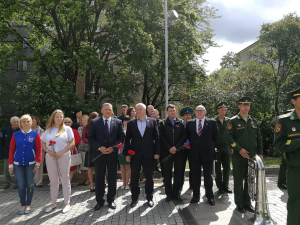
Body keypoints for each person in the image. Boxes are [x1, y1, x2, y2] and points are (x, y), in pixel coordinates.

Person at [227, 97, 263, 213]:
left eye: (248, 105)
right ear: (239, 106)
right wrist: (238, 149)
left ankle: (247, 203)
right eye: (243, 105)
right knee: (238, 180)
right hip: (239, 156)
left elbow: (259, 138)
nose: (246, 107)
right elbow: (228, 137)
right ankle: (239, 203)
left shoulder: (254, 121)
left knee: (250, 180)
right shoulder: (233, 121)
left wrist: (260, 153)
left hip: (252, 156)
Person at [88, 103, 124, 210]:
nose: (108, 111)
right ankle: (99, 201)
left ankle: (111, 200)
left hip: (112, 154)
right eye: (106, 109)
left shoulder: (117, 122)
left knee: (112, 178)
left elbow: (121, 138)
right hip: (99, 155)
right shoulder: (94, 122)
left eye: (110, 109)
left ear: (112, 111)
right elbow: (90, 138)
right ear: (102, 111)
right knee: (99, 178)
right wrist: (100, 148)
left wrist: (113, 148)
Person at [125, 103, 160, 208]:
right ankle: (134, 198)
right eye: (137, 109)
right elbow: (127, 139)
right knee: (135, 177)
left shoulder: (152, 122)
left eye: (140, 109)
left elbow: (157, 138)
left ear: (145, 110)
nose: (138, 111)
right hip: (135, 154)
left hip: (149, 154)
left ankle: (149, 197)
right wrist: (127, 153)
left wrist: (157, 152)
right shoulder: (131, 123)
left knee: (149, 177)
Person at [274, 88, 300, 225]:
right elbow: (279, 145)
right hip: (296, 169)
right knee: (296, 204)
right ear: (293, 101)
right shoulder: (284, 120)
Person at [42, 109, 75, 214]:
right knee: (53, 181)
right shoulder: (48, 130)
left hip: (64, 156)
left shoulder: (67, 129)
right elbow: (42, 143)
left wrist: (61, 152)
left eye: (61, 116)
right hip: (50, 157)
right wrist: (48, 151)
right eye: (57, 116)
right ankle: (53, 203)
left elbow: (72, 143)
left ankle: (66, 203)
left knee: (65, 180)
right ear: (53, 117)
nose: (59, 118)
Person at [8, 114, 42, 215]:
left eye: (28, 121)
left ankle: (28, 204)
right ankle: (23, 204)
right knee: (21, 185)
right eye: (24, 121)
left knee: (30, 184)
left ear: (31, 122)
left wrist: (38, 162)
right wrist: (10, 164)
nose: (26, 123)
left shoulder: (35, 134)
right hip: (18, 164)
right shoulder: (16, 135)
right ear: (20, 123)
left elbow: (39, 149)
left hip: (31, 164)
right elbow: (11, 150)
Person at [186, 105, 218, 206]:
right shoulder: (189, 123)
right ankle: (196, 196)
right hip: (194, 154)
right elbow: (187, 137)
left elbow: (216, 137)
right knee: (195, 176)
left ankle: (210, 196)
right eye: (197, 111)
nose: (199, 112)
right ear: (194, 112)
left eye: (201, 111)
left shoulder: (212, 123)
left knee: (208, 176)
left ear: (205, 112)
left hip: (207, 153)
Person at [159, 104, 187, 202]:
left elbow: (184, 136)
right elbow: (161, 137)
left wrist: (176, 147)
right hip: (167, 152)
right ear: (167, 112)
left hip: (178, 151)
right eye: (170, 110)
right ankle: (169, 194)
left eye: (174, 110)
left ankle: (176, 193)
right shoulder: (162, 123)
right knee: (167, 173)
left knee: (178, 173)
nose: (172, 112)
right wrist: (169, 147)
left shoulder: (181, 122)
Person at [214, 102, 233, 194]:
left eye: (225, 110)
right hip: (216, 148)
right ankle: (219, 187)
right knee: (217, 169)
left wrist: (232, 146)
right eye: (222, 110)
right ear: (218, 110)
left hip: (226, 147)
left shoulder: (229, 121)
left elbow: (232, 135)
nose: (223, 112)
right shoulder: (213, 121)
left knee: (227, 168)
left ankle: (226, 186)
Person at [1, 116, 20, 189]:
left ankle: (16, 183)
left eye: (17, 122)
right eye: (14, 122)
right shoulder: (5, 130)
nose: (16, 123)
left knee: (17, 168)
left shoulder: (21, 130)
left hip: (17, 152)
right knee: (6, 169)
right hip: (7, 152)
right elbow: (2, 142)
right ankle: (7, 183)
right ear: (11, 122)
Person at [83, 112, 99, 192]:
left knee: (99, 166)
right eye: (96, 117)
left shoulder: (100, 125)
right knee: (90, 167)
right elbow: (84, 137)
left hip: (98, 148)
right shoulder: (86, 127)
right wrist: (91, 141)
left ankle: (101, 183)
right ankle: (91, 185)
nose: (98, 118)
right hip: (90, 148)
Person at [179, 107, 193, 191]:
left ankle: (192, 185)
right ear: (183, 117)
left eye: (189, 115)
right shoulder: (180, 125)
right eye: (186, 115)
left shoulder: (194, 124)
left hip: (192, 149)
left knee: (193, 167)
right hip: (182, 149)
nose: (188, 116)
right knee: (181, 167)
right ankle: (180, 185)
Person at [64, 117, 81, 183]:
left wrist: (71, 144)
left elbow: (78, 140)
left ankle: (69, 181)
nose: (67, 123)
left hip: (72, 150)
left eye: (68, 122)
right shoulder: (60, 131)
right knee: (64, 167)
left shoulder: (74, 131)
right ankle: (64, 181)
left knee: (72, 167)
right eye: (65, 122)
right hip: (62, 150)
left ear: (71, 123)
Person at [31, 115, 45, 187]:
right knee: (30, 166)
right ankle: (31, 182)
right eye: (31, 121)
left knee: (39, 166)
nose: (32, 122)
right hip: (30, 151)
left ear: (37, 122)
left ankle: (39, 182)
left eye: (34, 121)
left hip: (39, 151)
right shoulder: (27, 130)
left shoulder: (41, 130)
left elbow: (41, 140)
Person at [119, 116, 131, 189]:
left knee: (128, 167)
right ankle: (123, 183)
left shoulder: (131, 129)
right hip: (120, 150)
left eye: (127, 121)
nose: (125, 122)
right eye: (124, 121)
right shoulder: (120, 129)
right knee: (122, 167)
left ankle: (127, 183)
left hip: (129, 149)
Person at [77, 115, 90, 186]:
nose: (84, 121)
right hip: (80, 148)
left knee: (87, 165)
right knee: (81, 165)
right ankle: (82, 179)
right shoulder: (79, 128)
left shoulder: (89, 128)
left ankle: (88, 180)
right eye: (82, 120)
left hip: (87, 148)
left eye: (85, 120)